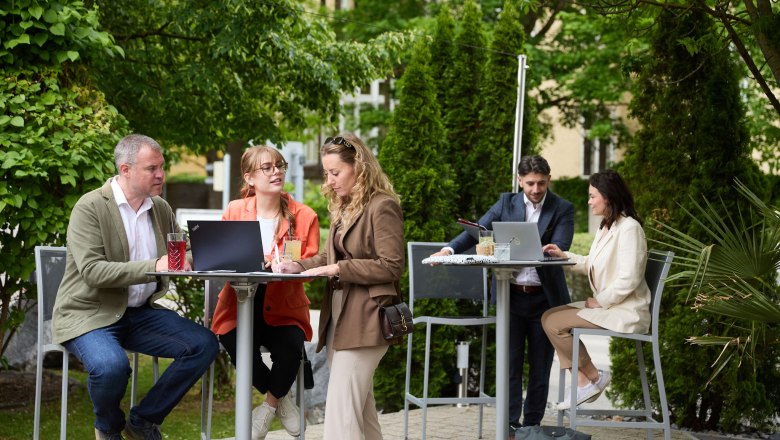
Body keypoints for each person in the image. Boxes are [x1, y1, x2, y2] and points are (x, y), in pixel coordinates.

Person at [51, 134, 220, 440]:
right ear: (125, 170)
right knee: (111, 367)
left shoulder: (161, 208)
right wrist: (154, 266)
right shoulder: (89, 207)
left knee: (204, 344)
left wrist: (216, 253)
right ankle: (109, 428)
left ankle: (142, 420)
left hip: (139, 314)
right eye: (151, 168)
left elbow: (179, 253)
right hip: (88, 314)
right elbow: (92, 272)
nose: (161, 174)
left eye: (162, 167)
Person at [272, 133, 404, 440]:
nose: (330, 181)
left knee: (341, 416)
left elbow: (391, 265)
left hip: (368, 318)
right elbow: (330, 256)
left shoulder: (382, 206)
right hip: (340, 319)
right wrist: (301, 265)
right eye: (326, 173)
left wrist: (338, 268)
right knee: (361, 412)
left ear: (358, 167)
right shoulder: (344, 206)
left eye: (335, 172)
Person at [431, 155, 575, 431]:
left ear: (549, 180)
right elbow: (477, 231)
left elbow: (562, 242)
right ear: (520, 181)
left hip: (545, 299)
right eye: (530, 183)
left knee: (540, 366)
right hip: (511, 295)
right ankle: (509, 426)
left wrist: (549, 249)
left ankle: (531, 427)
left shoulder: (562, 208)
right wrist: (449, 249)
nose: (535, 189)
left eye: (541, 183)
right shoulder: (505, 203)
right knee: (510, 363)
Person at [209, 145, 320, 440]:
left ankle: (268, 407)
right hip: (240, 302)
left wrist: (294, 266)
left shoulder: (304, 215)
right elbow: (220, 255)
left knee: (290, 348)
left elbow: (311, 264)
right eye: (267, 167)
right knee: (236, 344)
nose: (277, 172)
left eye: (279, 166)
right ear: (249, 178)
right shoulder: (235, 210)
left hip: (285, 305)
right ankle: (282, 400)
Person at [541, 169, 650, 410]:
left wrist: (600, 301)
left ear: (608, 197)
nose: (588, 201)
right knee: (549, 316)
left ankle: (588, 379)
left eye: (592, 196)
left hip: (625, 310)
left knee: (554, 323)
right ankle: (591, 379)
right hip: (612, 306)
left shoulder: (630, 228)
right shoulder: (607, 226)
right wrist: (563, 256)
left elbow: (630, 277)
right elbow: (592, 262)